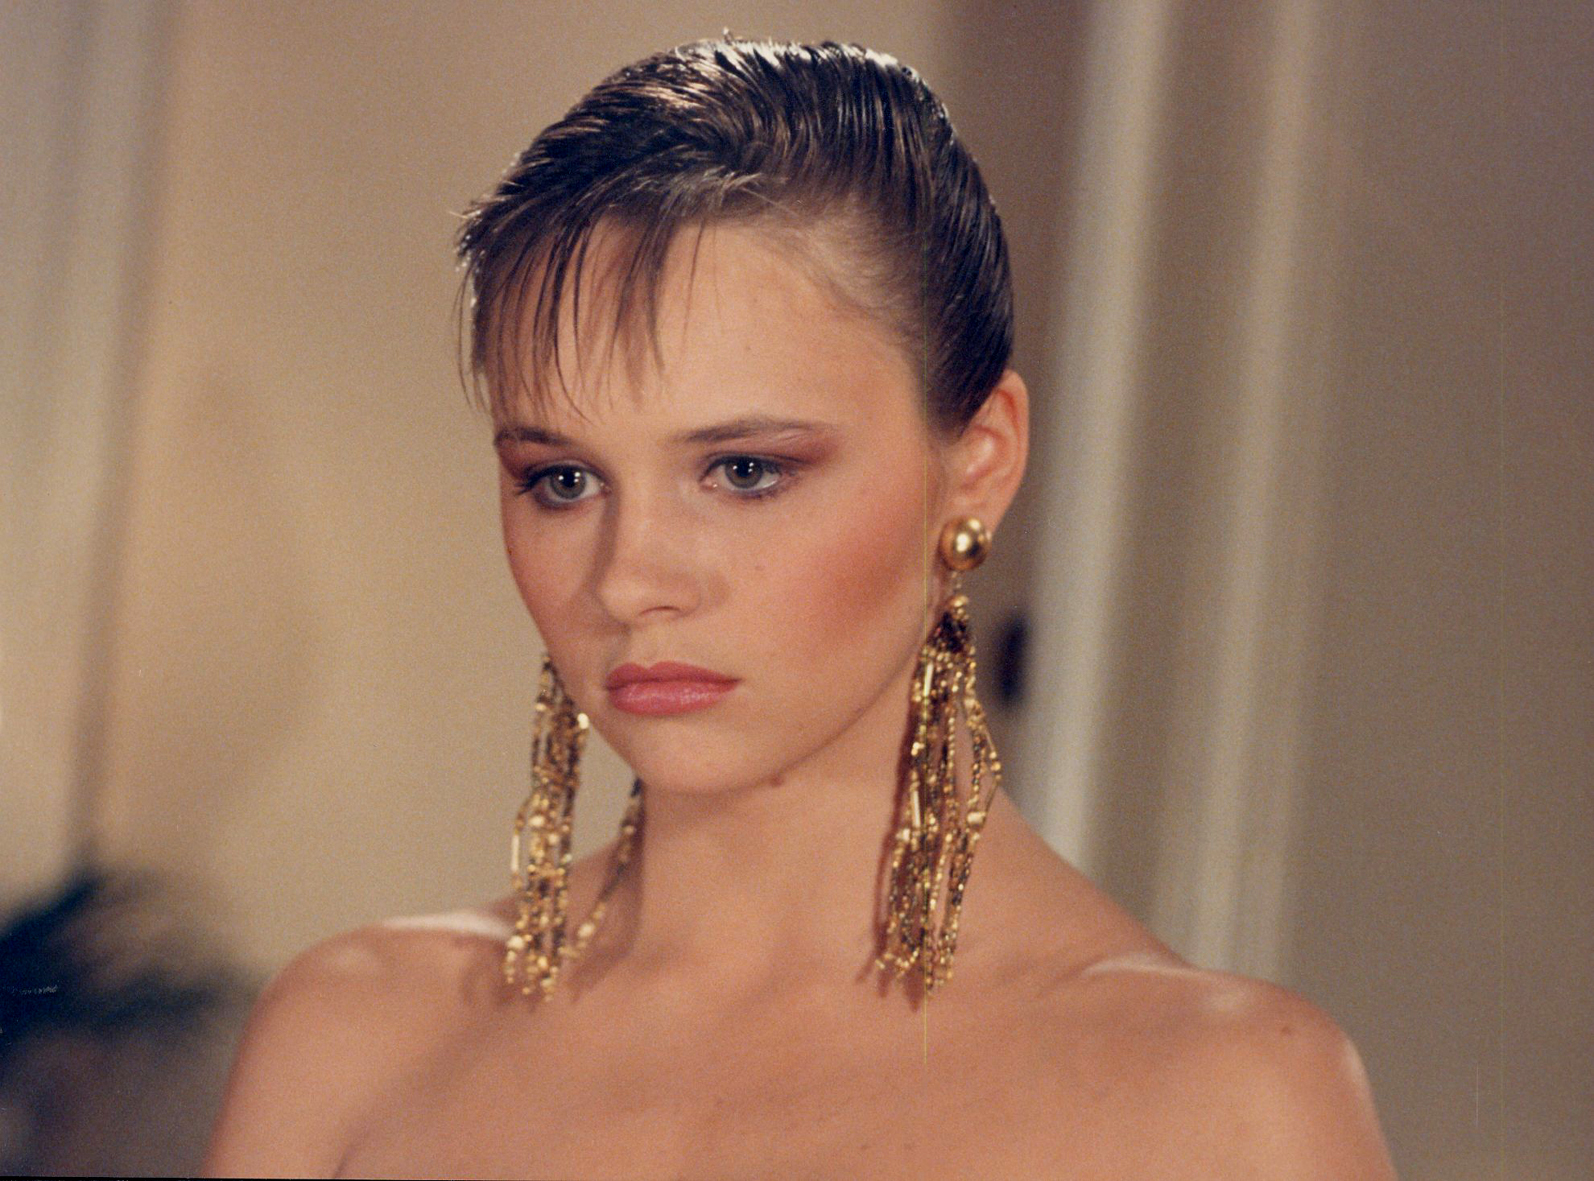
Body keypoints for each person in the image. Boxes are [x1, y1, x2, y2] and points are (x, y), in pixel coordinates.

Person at [202, 37, 1395, 1178]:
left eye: (744, 470)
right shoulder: (352, 1038)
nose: (627, 579)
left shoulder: (1220, 1098)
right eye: (563, 480)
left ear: (977, 462)